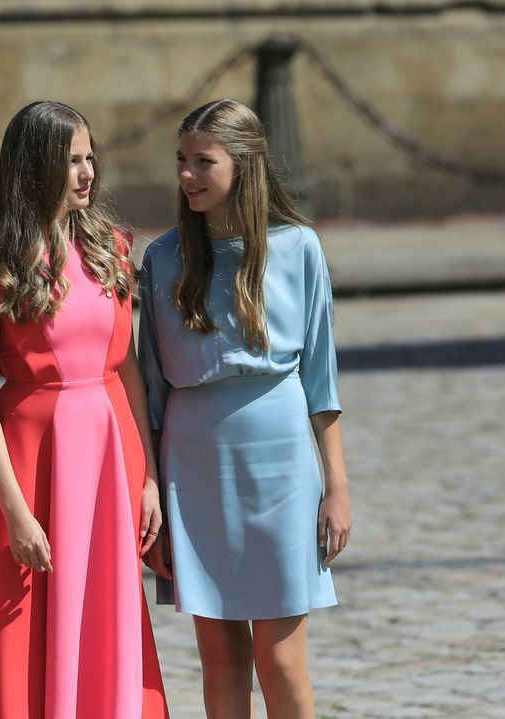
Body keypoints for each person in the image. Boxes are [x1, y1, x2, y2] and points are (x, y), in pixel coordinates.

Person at [138, 98, 353, 719]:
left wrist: (336, 487)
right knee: (221, 657)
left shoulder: (299, 248)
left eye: (203, 161)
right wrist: (151, 485)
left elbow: (322, 381)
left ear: (245, 164)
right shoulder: (163, 258)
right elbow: (150, 388)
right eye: (181, 160)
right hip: (193, 464)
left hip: (282, 462)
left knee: (281, 658)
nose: (186, 175)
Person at [0, 100, 169, 719]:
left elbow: (127, 366)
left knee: (109, 616)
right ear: (33, 169)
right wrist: (16, 513)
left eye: (89, 158)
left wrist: (149, 474)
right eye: (70, 161)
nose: (86, 173)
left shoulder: (111, 248)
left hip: (110, 455)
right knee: (26, 629)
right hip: (28, 466)